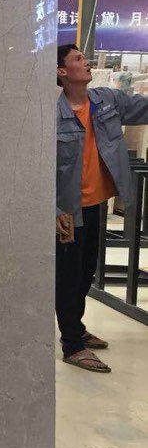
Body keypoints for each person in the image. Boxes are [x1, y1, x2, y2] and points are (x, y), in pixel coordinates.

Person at [56, 43, 148, 371]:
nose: (86, 62)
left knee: (86, 273)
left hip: (96, 204)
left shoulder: (105, 100)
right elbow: (40, 167)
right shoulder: (53, 113)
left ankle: (76, 328)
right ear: (62, 71)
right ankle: (72, 344)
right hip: (68, 212)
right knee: (68, 276)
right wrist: (54, 211)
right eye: (78, 59)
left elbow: (142, 108)